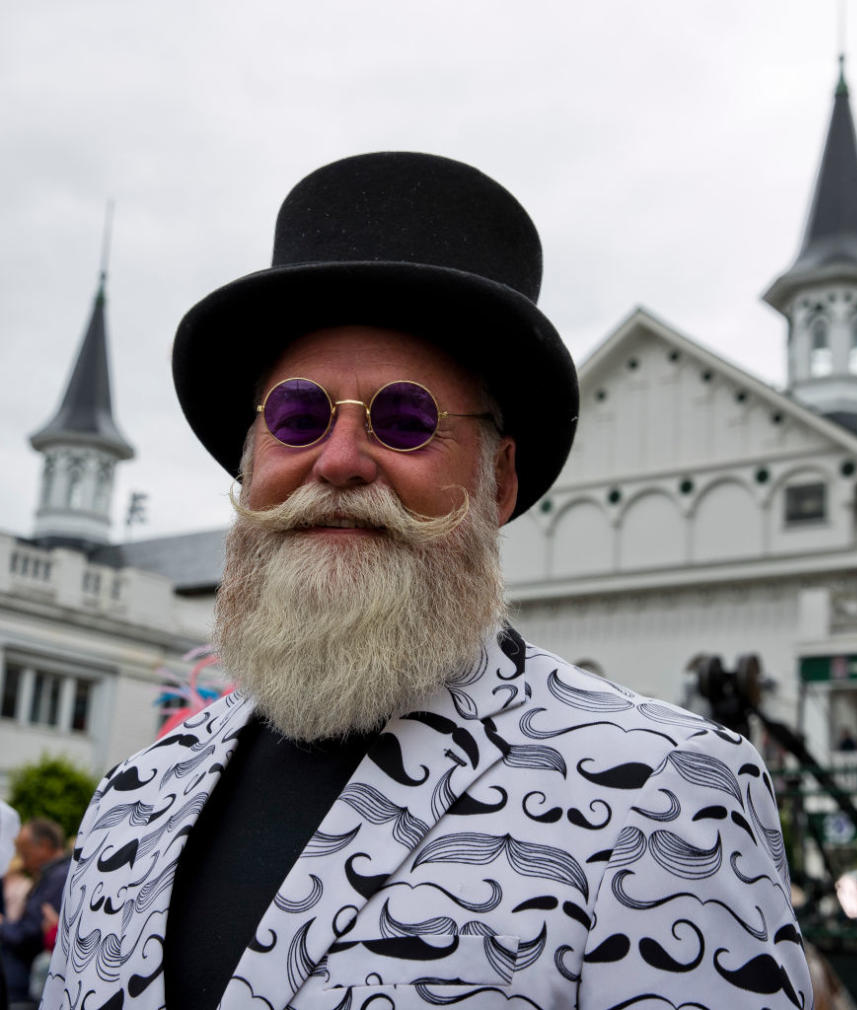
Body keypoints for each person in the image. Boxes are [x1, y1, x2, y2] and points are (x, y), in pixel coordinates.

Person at [41, 153, 812, 1009]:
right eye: (296, 416)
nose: (337, 460)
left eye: (407, 421)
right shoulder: (134, 794)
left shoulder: (669, 790)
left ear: (500, 483)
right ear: (253, 457)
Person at [1, 820, 69, 1009]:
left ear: (45, 845)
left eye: (25, 852)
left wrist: (3, 925)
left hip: (27, 989)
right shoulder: (54, 875)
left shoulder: (59, 877)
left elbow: (32, 933)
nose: (22, 860)